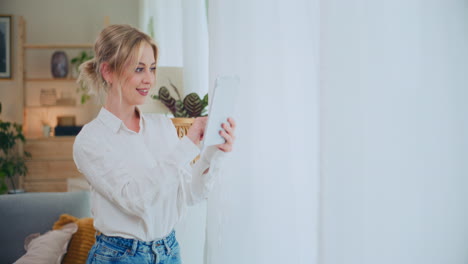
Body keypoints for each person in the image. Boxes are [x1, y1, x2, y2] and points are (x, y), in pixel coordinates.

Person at [73, 24, 236, 264]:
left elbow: (190, 195)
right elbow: (135, 200)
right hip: (118, 257)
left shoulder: (163, 126)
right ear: (108, 71)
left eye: (152, 68)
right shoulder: (91, 140)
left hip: (169, 251)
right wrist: (188, 144)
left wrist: (214, 152)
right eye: (139, 69)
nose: (149, 79)